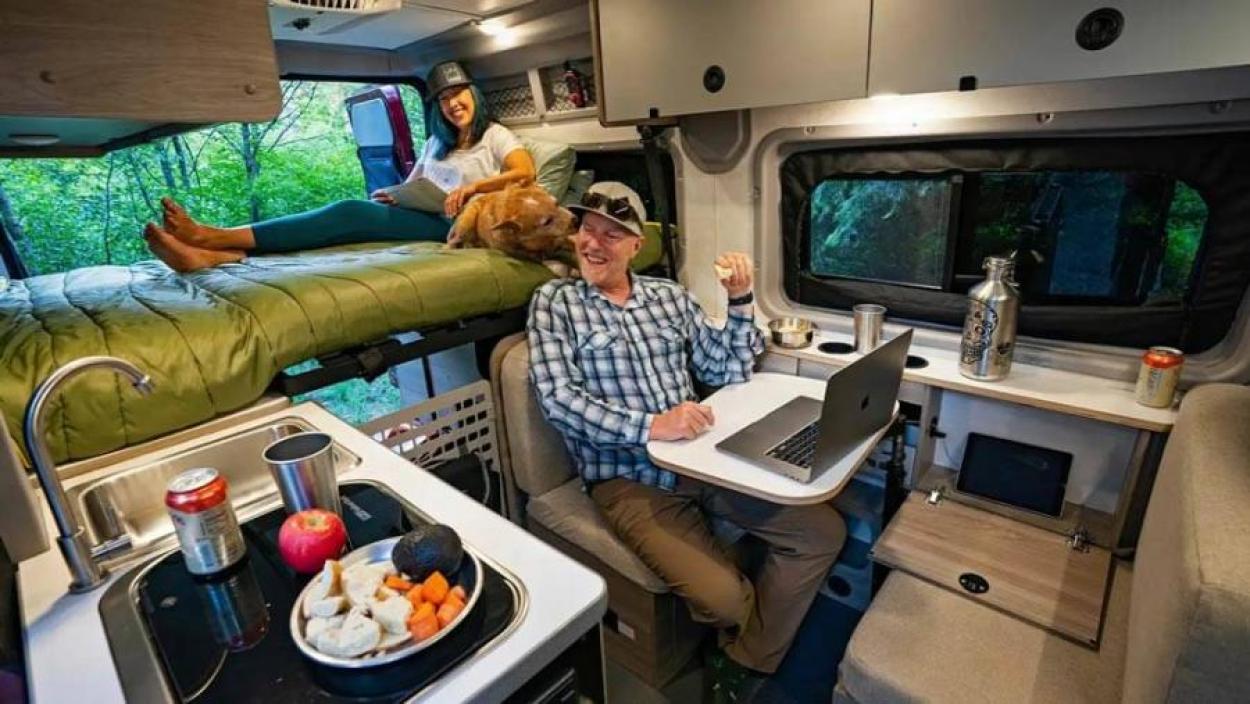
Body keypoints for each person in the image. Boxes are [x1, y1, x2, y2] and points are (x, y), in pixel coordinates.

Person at [527, 183, 847, 699]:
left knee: (822, 533)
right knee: (722, 600)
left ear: (637, 246)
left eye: (613, 234)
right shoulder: (555, 303)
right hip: (628, 480)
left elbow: (727, 369)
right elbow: (558, 400)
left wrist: (740, 300)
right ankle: (751, 648)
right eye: (587, 229)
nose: (594, 243)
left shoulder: (668, 297)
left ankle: (743, 658)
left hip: (703, 460)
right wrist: (653, 427)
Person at [143, 61, 536, 271]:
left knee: (348, 212)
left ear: (474, 94)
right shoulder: (437, 142)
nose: (452, 104)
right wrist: (395, 195)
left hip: (462, 223)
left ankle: (213, 237)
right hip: (430, 214)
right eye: (444, 99)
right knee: (350, 220)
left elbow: (524, 173)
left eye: (458, 94)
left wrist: (471, 189)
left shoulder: (495, 135)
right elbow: (414, 183)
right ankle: (222, 255)